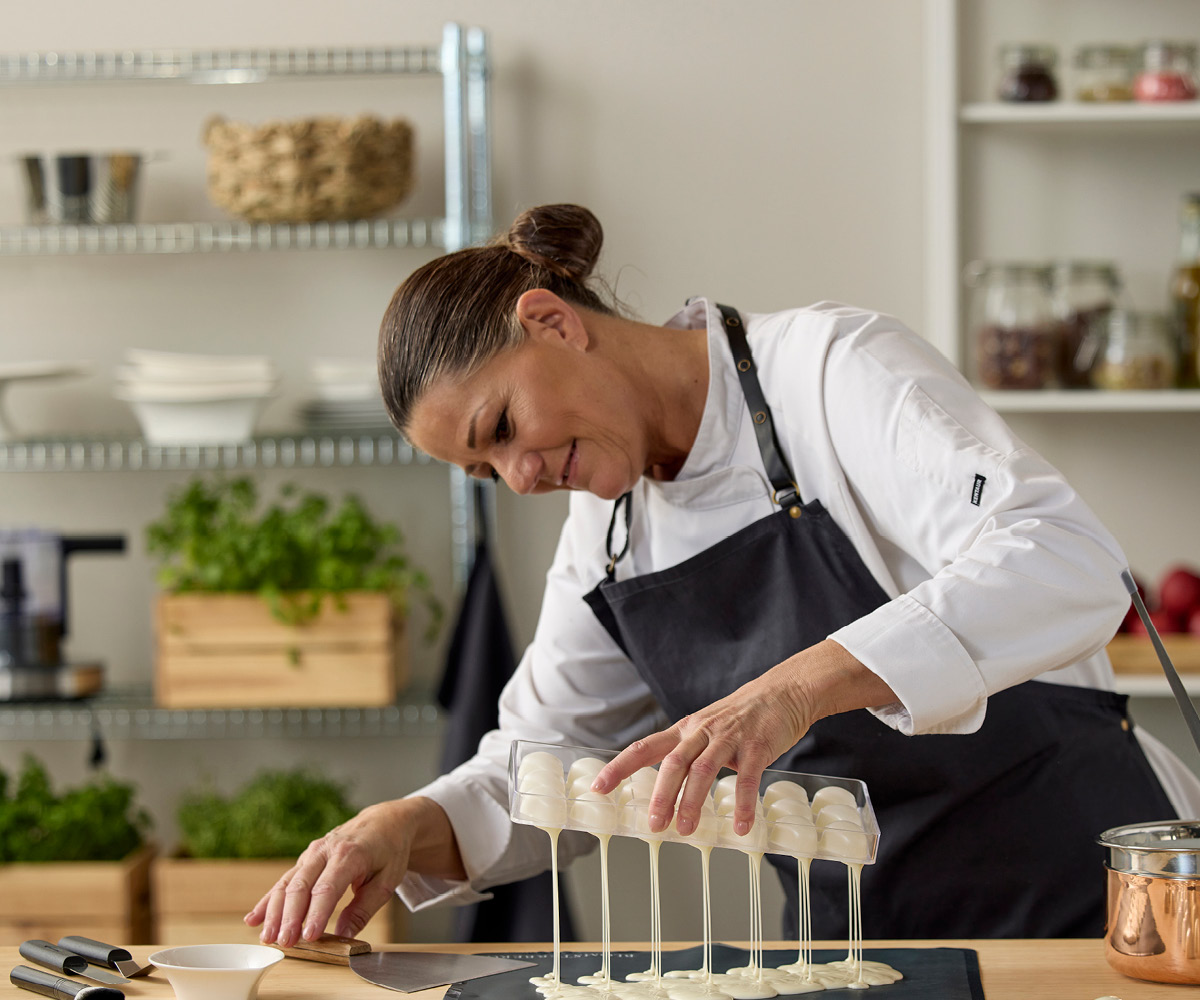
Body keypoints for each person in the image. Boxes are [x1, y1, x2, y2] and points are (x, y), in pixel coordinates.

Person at [246, 202, 1200, 950]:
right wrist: (403, 826)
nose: (519, 478)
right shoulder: (607, 537)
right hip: (869, 953)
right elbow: (547, 770)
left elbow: (1067, 558)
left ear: (552, 322)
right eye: (484, 471)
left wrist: (791, 692)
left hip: (1095, 910)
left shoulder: (830, 372)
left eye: (502, 430)